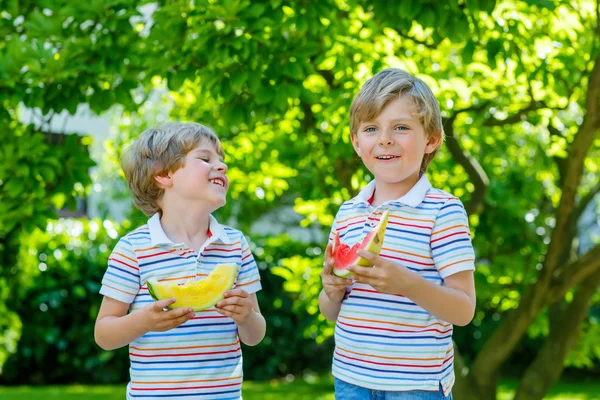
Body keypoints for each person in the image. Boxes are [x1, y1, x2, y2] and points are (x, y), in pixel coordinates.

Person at [319, 68, 476, 399]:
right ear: (356, 142)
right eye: (371, 128)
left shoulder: (443, 211)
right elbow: (332, 311)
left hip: (415, 386)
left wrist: (406, 283)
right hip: (350, 379)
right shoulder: (348, 212)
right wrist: (331, 291)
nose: (385, 139)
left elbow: (464, 311)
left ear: (432, 139)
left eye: (401, 128)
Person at [94, 122, 265, 399]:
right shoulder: (133, 249)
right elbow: (103, 334)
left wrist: (247, 318)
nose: (222, 166)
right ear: (163, 174)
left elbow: (254, 335)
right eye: (205, 158)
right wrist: (144, 322)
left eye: (221, 160)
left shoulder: (235, 245)